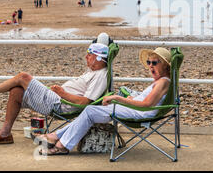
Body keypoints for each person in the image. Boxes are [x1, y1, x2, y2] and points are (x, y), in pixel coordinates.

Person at [0, 42, 110, 146]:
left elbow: (84, 102)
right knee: (16, 92)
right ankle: (5, 134)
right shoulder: (93, 71)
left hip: (59, 104)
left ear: (98, 58)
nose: (86, 57)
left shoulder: (100, 76)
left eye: (89, 55)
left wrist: (62, 93)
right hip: (56, 98)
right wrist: (61, 92)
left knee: (23, 77)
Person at [38, 47, 172, 155]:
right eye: (149, 63)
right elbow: (147, 101)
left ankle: (62, 145)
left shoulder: (162, 82)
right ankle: (55, 137)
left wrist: (117, 98)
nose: (150, 66)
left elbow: (147, 104)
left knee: (90, 111)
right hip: (138, 110)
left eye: (154, 63)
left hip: (141, 113)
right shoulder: (162, 82)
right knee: (90, 111)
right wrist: (131, 98)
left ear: (165, 66)